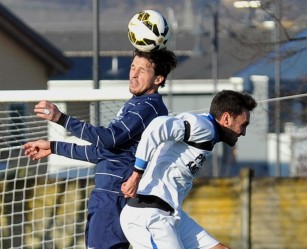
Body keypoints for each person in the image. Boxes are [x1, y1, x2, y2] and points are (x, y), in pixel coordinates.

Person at [22, 48, 177, 249]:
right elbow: (101, 152)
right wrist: (53, 147)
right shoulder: (138, 104)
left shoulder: (148, 107)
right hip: (107, 196)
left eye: (143, 70)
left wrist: (61, 118)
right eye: (132, 67)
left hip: (114, 196)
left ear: (158, 79)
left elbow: (107, 139)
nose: (134, 74)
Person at [120, 90, 257, 249]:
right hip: (148, 215)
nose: (244, 132)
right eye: (243, 124)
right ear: (226, 118)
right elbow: (157, 126)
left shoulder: (206, 131)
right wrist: (136, 174)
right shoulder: (204, 127)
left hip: (171, 214)